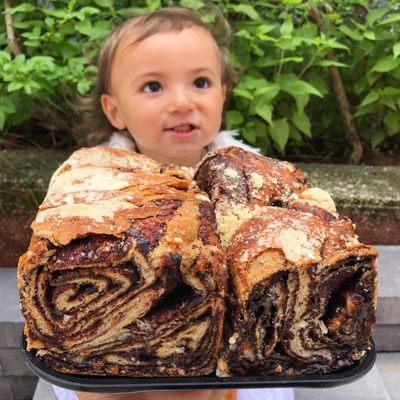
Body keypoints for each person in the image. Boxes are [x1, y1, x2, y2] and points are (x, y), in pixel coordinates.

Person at [53, 5, 294, 400]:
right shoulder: (93, 194)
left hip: (228, 350)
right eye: (153, 87)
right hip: (122, 338)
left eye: (201, 82)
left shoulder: (253, 185)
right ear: (115, 110)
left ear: (223, 95)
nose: (182, 102)